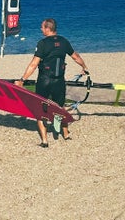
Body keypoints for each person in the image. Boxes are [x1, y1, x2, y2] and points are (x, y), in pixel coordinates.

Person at [15, 18, 89, 147]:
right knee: (60, 107)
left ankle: (44, 141)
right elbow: (76, 56)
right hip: (59, 81)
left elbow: (33, 64)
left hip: (44, 81)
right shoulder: (64, 41)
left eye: (42, 27)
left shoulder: (42, 43)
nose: (41, 29)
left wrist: (22, 80)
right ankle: (65, 134)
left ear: (48, 29)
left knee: (40, 109)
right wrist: (84, 67)